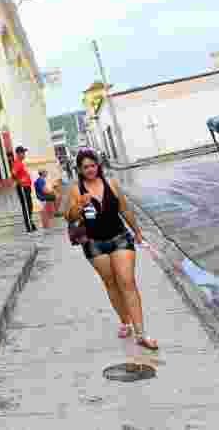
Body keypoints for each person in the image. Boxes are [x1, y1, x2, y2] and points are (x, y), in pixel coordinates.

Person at [65, 149, 157, 351]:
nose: (90, 169)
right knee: (111, 283)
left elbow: (124, 208)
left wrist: (137, 232)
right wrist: (79, 204)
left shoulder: (112, 183)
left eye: (93, 165)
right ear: (79, 170)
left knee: (127, 282)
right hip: (94, 243)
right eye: (85, 167)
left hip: (120, 238)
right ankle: (125, 321)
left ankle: (141, 334)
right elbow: (69, 217)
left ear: (98, 165)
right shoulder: (75, 189)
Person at [11, 146, 38, 233]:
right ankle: (29, 225)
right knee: (27, 207)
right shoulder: (17, 163)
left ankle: (31, 223)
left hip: (26, 187)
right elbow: (13, 173)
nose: (24, 154)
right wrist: (20, 182)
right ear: (18, 154)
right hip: (23, 187)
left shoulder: (20, 163)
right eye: (23, 153)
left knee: (29, 206)